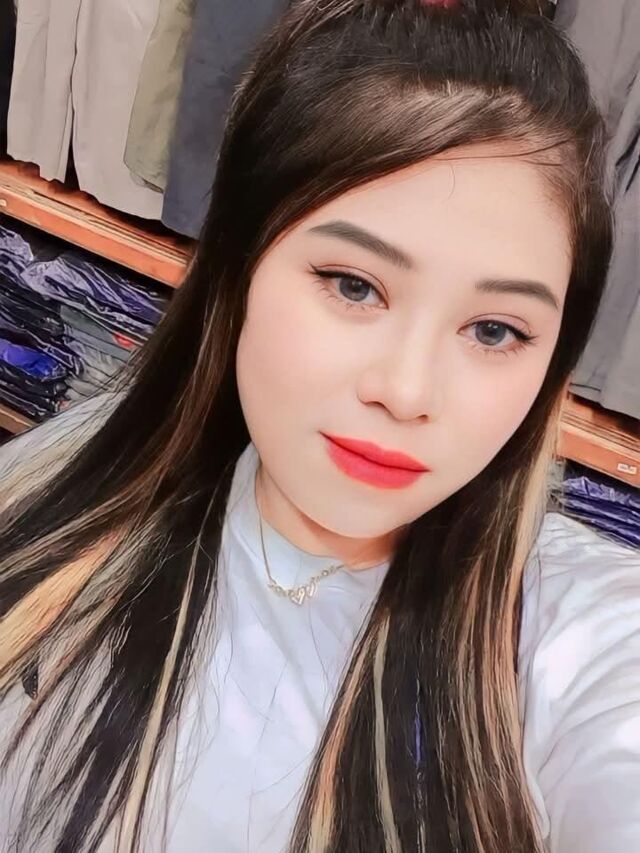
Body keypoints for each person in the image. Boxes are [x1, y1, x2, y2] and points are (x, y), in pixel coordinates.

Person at [0, 1, 638, 851]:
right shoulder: (70, 472)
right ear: (240, 267)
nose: (406, 392)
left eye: (494, 330)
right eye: (353, 285)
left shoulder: (573, 635)